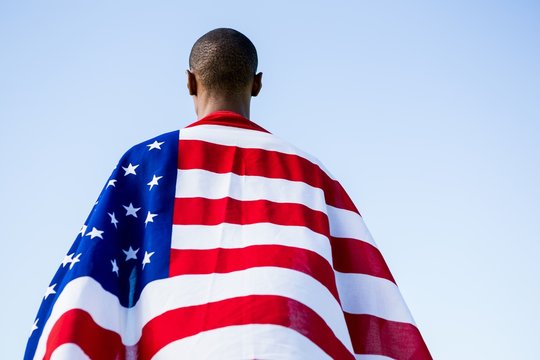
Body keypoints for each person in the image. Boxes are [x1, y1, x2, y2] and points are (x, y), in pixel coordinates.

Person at [25, 28, 431, 359]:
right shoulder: (311, 173)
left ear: (189, 81)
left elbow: (90, 282)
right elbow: (367, 302)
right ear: (257, 85)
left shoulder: (148, 162)